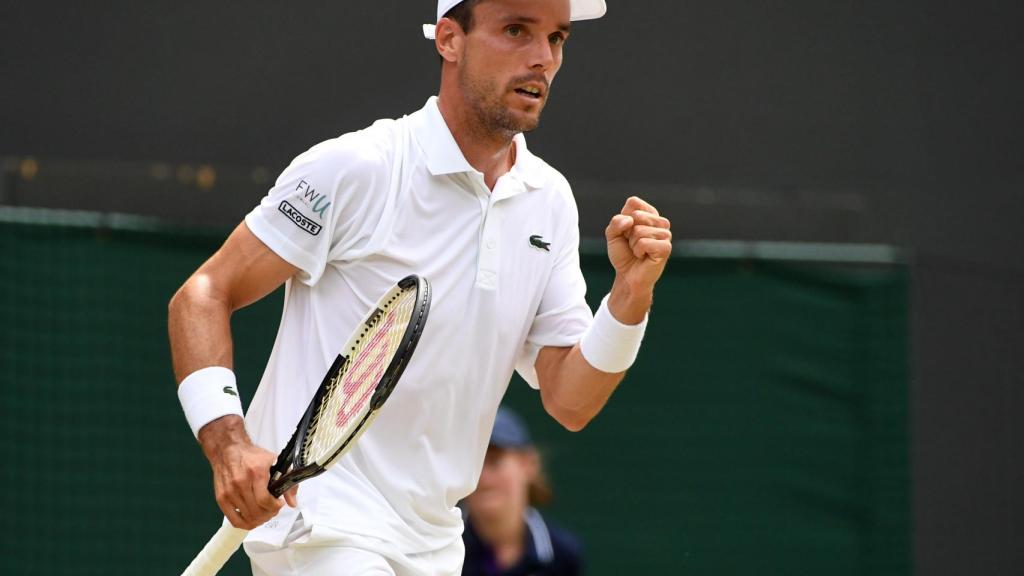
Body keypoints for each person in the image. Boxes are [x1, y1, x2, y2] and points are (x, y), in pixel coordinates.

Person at [167, 0, 673, 574]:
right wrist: (229, 445)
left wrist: (630, 297)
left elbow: (571, 401)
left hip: (433, 543)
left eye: (556, 38)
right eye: (516, 30)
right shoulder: (358, 167)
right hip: (322, 526)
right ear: (450, 39)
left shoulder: (549, 201)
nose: (543, 58)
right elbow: (203, 294)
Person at [462, 407, 584, 576]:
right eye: (473, 464)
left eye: (494, 461)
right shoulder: (440, 544)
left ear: (528, 464)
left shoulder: (562, 555)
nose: (483, 478)